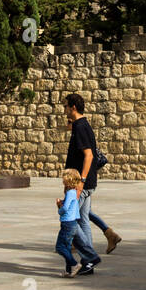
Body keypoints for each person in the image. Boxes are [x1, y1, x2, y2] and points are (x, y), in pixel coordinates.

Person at [63, 92, 102, 275]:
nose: (64, 110)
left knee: (70, 220)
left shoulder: (80, 127)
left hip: (82, 183)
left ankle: (90, 257)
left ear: (73, 107)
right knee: (83, 219)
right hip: (85, 182)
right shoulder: (81, 125)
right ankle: (88, 261)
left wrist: (81, 182)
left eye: (66, 106)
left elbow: (89, 155)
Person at [55, 169, 96, 276]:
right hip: (72, 223)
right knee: (67, 246)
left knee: (60, 247)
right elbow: (74, 208)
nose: (62, 181)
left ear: (68, 180)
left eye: (63, 179)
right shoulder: (73, 192)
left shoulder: (70, 193)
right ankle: (69, 271)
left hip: (67, 224)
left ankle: (74, 264)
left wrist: (59, 207)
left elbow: (65, 209)